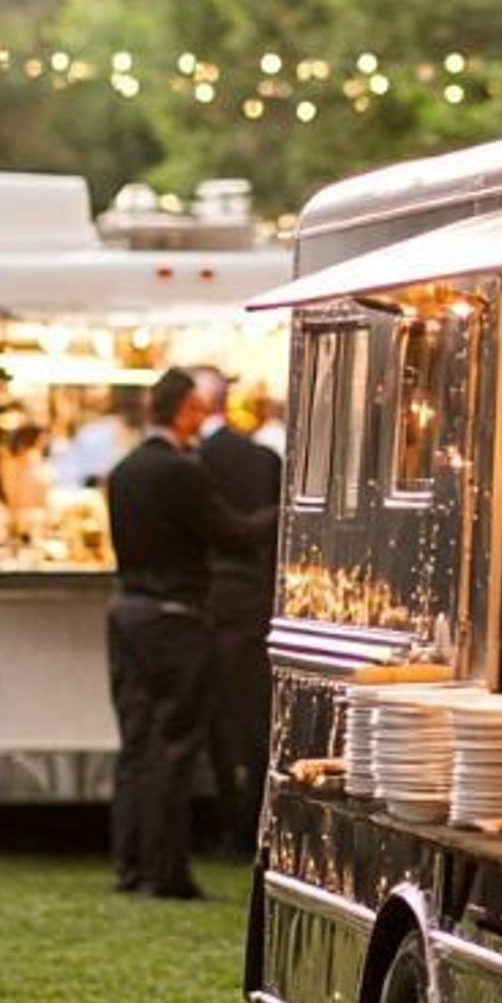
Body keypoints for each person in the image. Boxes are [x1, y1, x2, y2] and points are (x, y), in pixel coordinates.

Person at [104, 366, 277, 901]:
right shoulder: (181, 471)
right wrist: (286, 508)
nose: (202, 422)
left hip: (127, 612)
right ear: (183, 411)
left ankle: (130, 863)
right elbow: (232, 534)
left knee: (136, 742)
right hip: (175, 618)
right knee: (174, 743)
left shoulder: (124, 470)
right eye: (197, 411)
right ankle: (165, 870)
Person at [192, 364, 281, 858]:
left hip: (212, 598)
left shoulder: (193, 460)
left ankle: (230, 822)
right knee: (254, 719)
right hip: (255, 598)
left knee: (219, 720)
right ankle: (253, 820)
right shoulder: (263, 458)